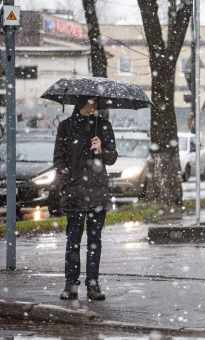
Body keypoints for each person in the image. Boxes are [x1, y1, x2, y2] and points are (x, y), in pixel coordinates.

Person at [54, 96, 118, 301]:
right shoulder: (65, 127)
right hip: (74, 192)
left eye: (96, 104)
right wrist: (66, 181)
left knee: (94, 241)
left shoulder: (104, 126)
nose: (94, 107)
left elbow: (112, 158)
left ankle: (93, 284)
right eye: (91, 103)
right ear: (81, 103)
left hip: (97, 192)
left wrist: (102, 149)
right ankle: (71, 284)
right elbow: (58, 158)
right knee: (73, 239)